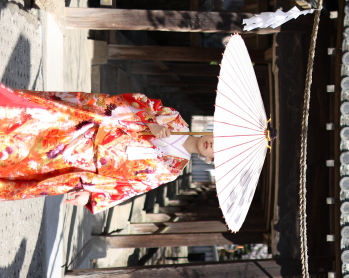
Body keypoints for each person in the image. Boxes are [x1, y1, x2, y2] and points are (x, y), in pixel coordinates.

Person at [0, 85, 214, 213]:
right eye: (219, 140)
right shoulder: (173, 119)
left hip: (79, 163)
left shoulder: (171, 170)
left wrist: (89, 194)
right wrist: (150, 121)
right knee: (25, 123)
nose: (214, 145)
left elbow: (128, 186)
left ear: (211, 160)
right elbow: (131, 101)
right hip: (82, 129)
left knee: (20, 160)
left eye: (218, 152)